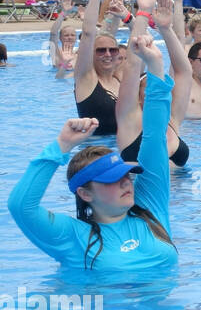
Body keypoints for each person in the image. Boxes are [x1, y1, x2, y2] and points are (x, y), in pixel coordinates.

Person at [8, 32, 178, 271]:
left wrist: (155, 65)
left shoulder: (149, 207)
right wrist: (61, 146)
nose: (126, 184)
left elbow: (154, 137)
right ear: (85, 194)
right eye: (112, 180)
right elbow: (20, 207)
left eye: (125, 176)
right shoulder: (73, 236)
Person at [116, 0, 191, 167]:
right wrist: (142, 14)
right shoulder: (129, 119)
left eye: (159, 87)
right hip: (142, 194)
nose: (155, 92)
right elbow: (132, 66)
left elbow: (184, 72)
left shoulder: (171, 119)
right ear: (138, 97)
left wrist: (165, 29)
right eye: (148, 89)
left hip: (182, 195)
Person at [73, 0, 124, 136]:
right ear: (91, 55)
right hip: (96, 152)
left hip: (124, 152)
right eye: (101, 50)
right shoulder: (86, 78)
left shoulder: (120, 79)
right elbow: (88, 33)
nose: (108, 54)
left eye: (113, 50)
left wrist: (121, 16)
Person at [47, 0, 79, 79]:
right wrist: (63, 13)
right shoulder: (56, 53)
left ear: (76, 38)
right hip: (58, 84)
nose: (69, 37)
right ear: (60, 38)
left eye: (72, 35)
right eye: (66, 35)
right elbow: (53, 33)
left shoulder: (79, 54)